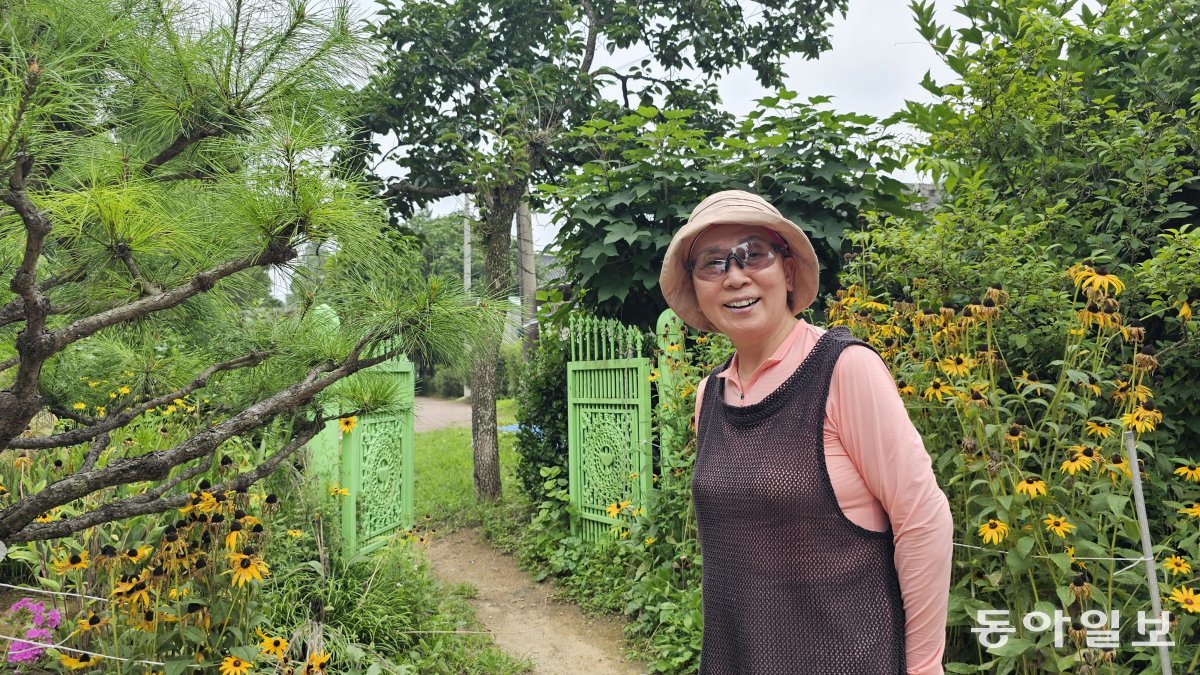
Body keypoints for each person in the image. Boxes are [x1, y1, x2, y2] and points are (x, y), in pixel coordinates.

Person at [658, 190, 953, 675]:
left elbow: (923, 521)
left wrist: (923, 668)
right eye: (712, 263)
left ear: (788, 271)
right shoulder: (709, 395)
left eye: (754, 253)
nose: (735, 275)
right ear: (696, 287)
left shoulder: (843, 370)